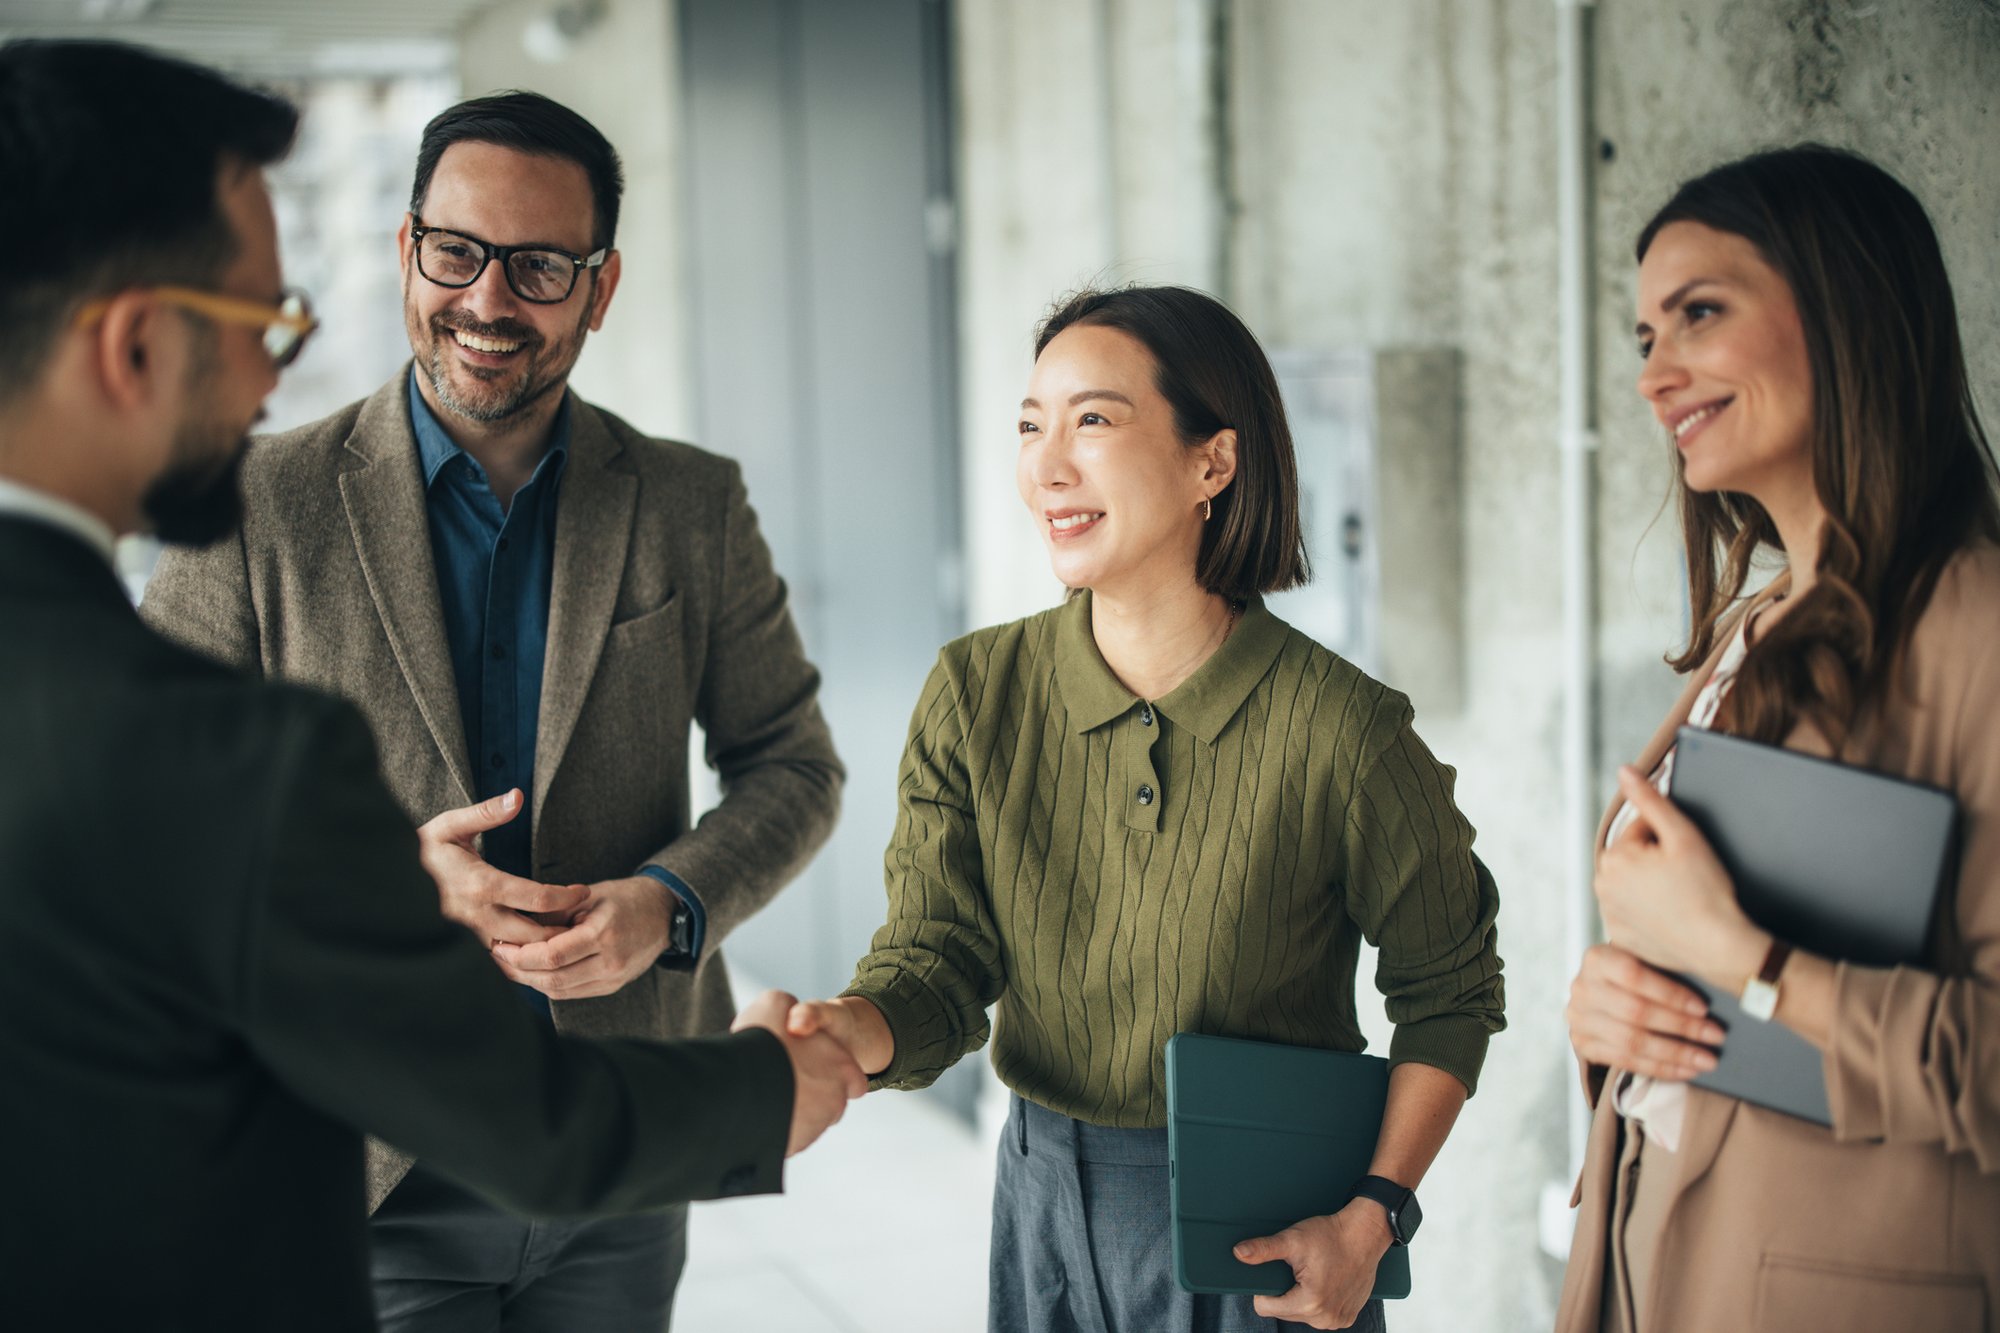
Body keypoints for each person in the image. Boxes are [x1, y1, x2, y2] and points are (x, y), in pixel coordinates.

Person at [0, 38, 864, 1333]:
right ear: (408, 251)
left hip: (624, 1158)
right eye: (457, 252)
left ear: (600, 285)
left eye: (540, 266)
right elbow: (164, 827)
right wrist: (776, 1089)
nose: (490, 297)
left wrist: (666, 906)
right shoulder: (255, 511)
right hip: (373, 1162)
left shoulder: (689, 501)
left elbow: (792, 764)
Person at [777, 285, 1506, 1332]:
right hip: (1037, 1198)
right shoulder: (977, 690)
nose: (1046, 465)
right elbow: (937, 960)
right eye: (1030, 425)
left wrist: (1374, 1215)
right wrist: (843, 1033)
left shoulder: (1345, 730)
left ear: (1212, 461)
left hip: (1261, 1228)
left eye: (1092, 420)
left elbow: (1449, 992)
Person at [1554, 145, 2000, 1332]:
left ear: (1847, 313)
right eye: (1642, 337)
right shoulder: (1758, 624)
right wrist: (1613, 1016)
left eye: (1697, 314)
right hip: (1664, 1274)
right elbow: (1693, 981)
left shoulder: (1977, 634)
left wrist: (1752, 965)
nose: (1654, 376)